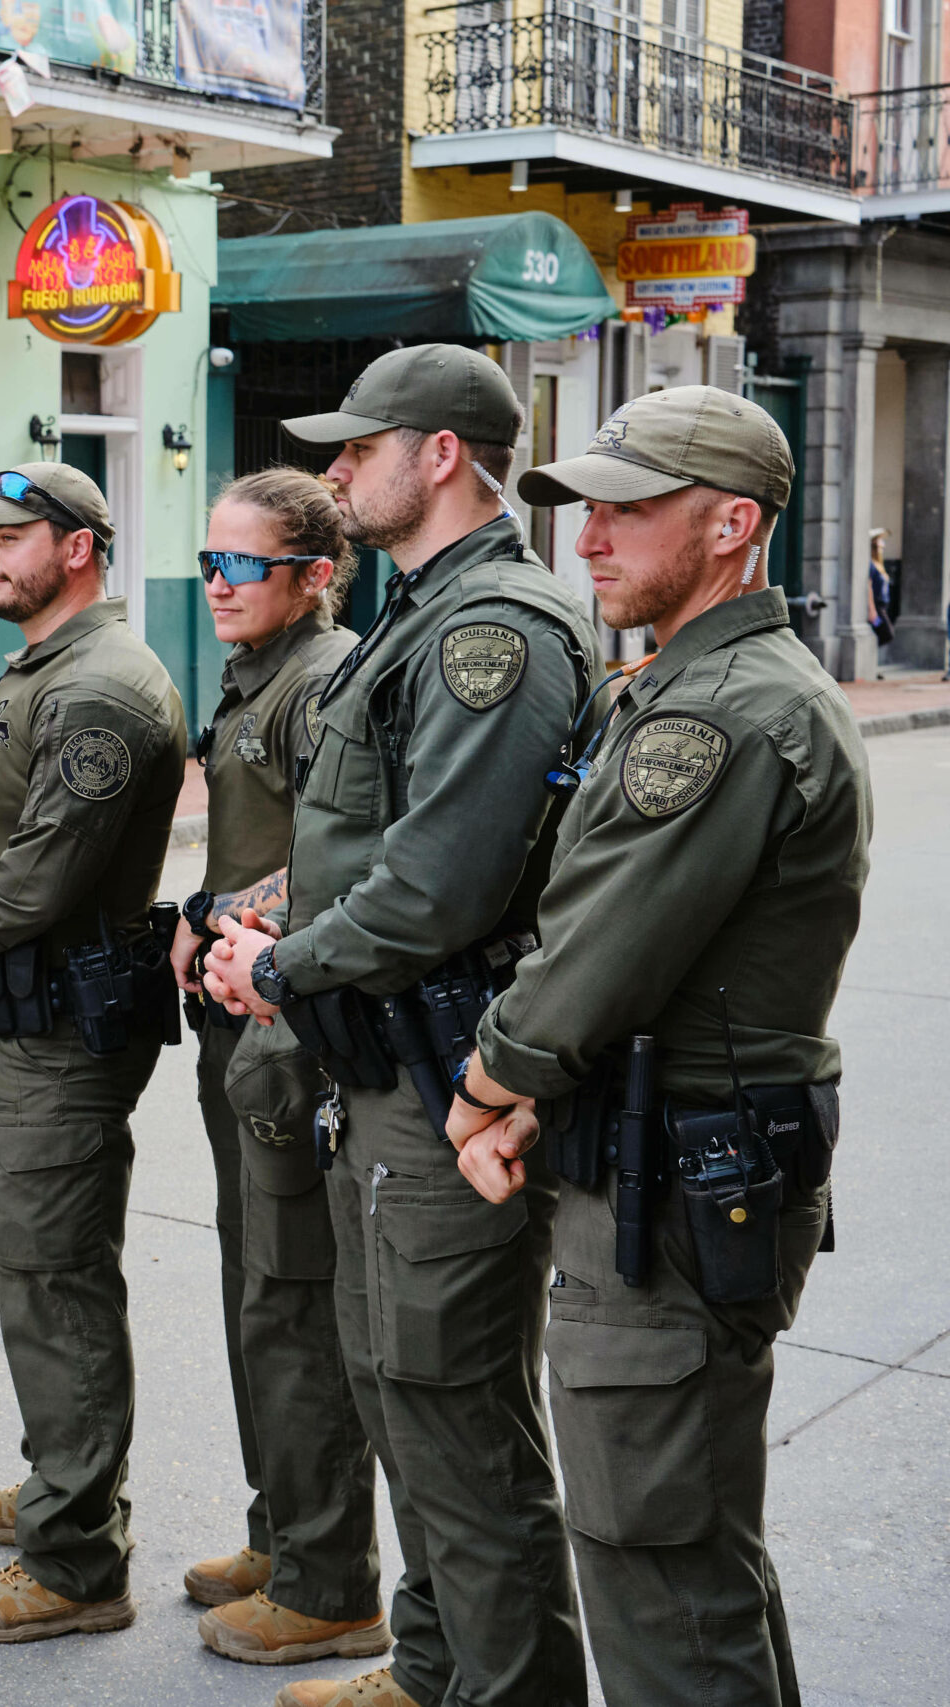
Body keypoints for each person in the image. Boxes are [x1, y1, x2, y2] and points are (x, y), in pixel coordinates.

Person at [445, 388, 868, 1707]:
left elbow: (594, 958)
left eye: (631, 508)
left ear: (732, 523)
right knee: (691, 1553)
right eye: (586, 507)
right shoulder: (690, 686)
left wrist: (487, 1086)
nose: (592, 537)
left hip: (675, 1191)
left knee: (657, 1560)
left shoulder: (717, 716)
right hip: (671, 1160)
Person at [202, 344, 599, 1707]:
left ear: (438, 455)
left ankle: (504, 1685)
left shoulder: (497, 629)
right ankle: (433, 1666)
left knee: (456, 1409)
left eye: (358, 447)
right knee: (398, 1387)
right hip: (379, 1068)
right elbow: (371, 841)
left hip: (445, 1082)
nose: (335, 469)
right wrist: (276, 917)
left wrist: (284, 963)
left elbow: (440, 881)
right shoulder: (423, 617)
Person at [0, 462, 186, 1641]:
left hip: (62, 1028)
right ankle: (63, 1482)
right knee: (30, 1269)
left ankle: (75, 1562)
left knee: (56, 1279)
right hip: (11, 1017)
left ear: (77, 548)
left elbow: (46, 870)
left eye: (8, 535)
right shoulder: (42, 665)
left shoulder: (105, 687)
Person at [169, 472, 386, 1666]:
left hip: (294, 1031)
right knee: (254, 1283)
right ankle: (285, 1528)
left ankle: (325, 1578)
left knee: (292, 1297)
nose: (215, 585)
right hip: (241, 1026)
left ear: (314, 574)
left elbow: (344, 863)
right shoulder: (261, 670)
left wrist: (221, 912)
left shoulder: (326, 680)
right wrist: (196, 915)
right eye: (208, 562)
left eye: (240, 566)